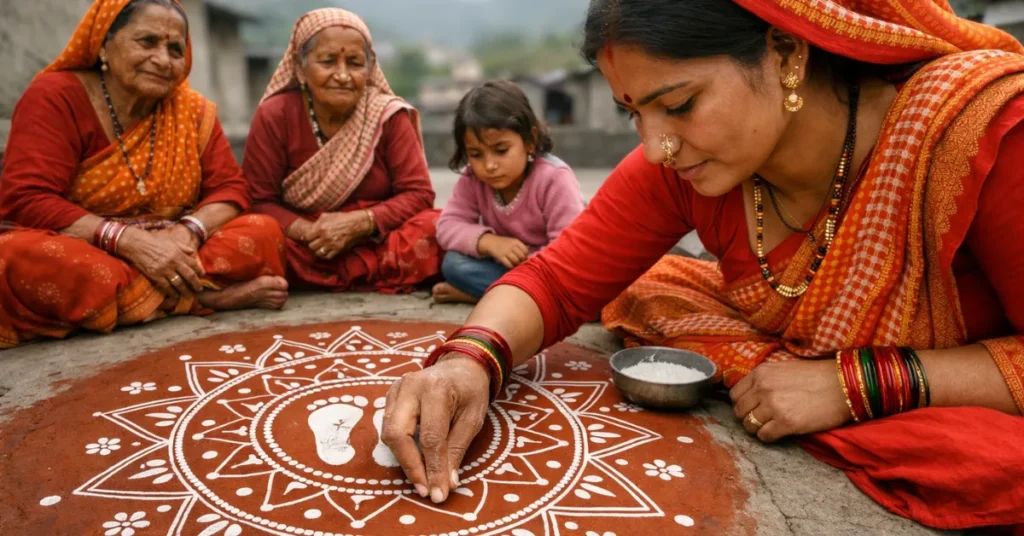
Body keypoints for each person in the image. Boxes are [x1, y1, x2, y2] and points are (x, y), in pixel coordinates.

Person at [380, 0, 1024, 529]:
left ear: (786, 53)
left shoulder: (979, 133)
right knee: (655, 291)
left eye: (680, 105)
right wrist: (470, 360)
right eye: (633, 114)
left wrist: (856, 385)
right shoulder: (685, 169)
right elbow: (555, 280)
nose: (655, 148)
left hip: (967, 386)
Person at [0, 0, 289, 349]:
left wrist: (188, 231)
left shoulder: (192, 111)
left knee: (263, 231)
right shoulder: (56, 96)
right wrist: (128, 242)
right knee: (15, 256)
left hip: (176, 245)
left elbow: (230, 189)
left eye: (175, 49)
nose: (163, 60)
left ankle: (134, 301)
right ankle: (200, 298)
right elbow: (26, 198)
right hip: (90, 246)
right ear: (103, 44)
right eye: (147, 42)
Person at [244, 8, 442, 293]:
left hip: (376, 239)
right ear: (300, 68)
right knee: (251, 235)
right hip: (307, 244)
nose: (342, 75)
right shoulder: (276, 115)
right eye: (328, 61)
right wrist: (312, 232)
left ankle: (319, 277)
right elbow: (259, 199)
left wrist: (361, 223)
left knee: (438, 226)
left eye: (354, 63)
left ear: (369, 69)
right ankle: (373, 274)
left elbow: (419, 194)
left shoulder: (387, 116)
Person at [433, 81, 585, 304]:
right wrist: (490, 242)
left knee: (578, 285)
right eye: (476, 154)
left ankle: (486, 295)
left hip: (552, 269)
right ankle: (511, 297)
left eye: (501, 151)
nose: (489, 165)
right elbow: (447, 225)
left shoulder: (554, 178)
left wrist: (528, 265)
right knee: (454, 263)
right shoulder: (473, 178)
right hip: (510, 269)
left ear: (530, 141)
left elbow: (567, 249)